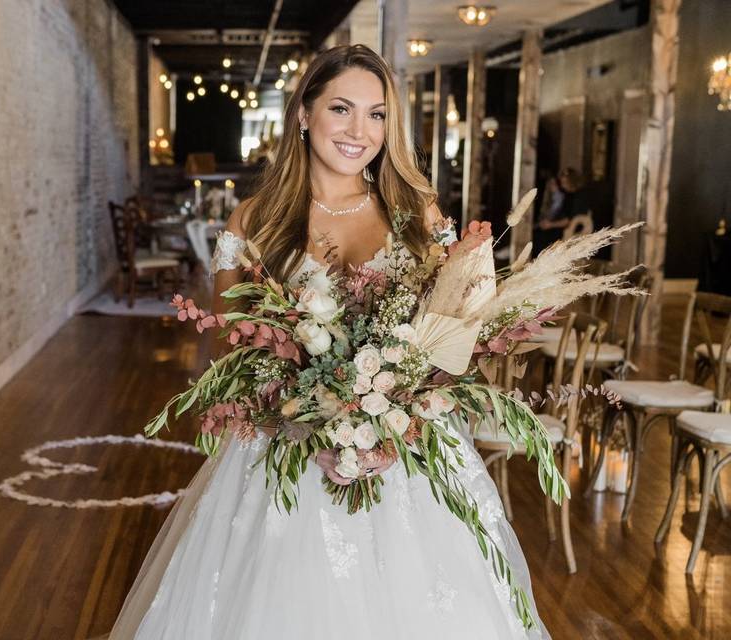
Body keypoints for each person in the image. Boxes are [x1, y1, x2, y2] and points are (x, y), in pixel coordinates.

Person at [104, 45, 549, 639]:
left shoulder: (417, 212)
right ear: (304, 113)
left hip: (406, 458)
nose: (359, 131)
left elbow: (452, 342)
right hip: (286, 453)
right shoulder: (253, 222)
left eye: (377, 114)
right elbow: (231, 354)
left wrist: (401, 417)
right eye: (342, 108)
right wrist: (312, 423)